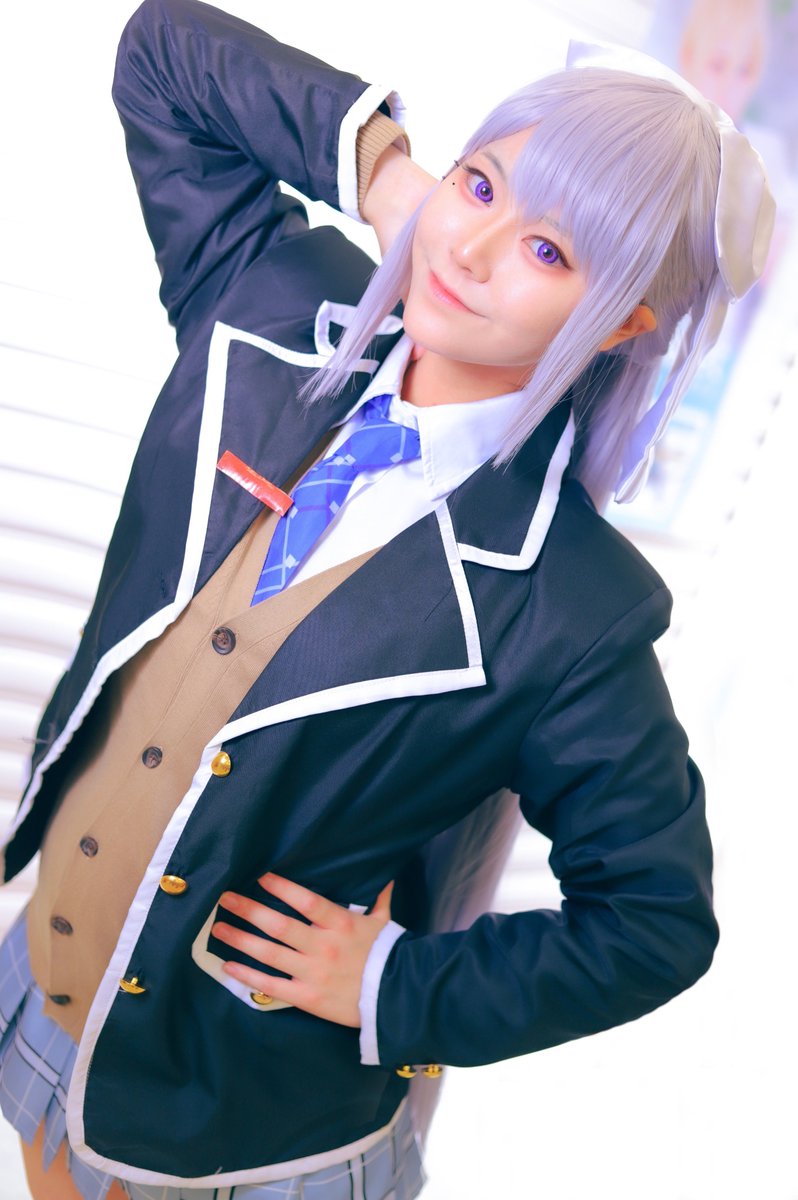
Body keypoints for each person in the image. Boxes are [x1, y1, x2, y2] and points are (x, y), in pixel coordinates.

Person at [0, 1, 774, 1198]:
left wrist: (389, 984)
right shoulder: (265, 304)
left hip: (230, 1118)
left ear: (623, 322)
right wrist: (385, 173)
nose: (470, 251)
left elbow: (656, 919)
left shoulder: (575, 610)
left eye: (550, 252)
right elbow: (163, 54)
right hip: (53, 987)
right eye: (483, 185)